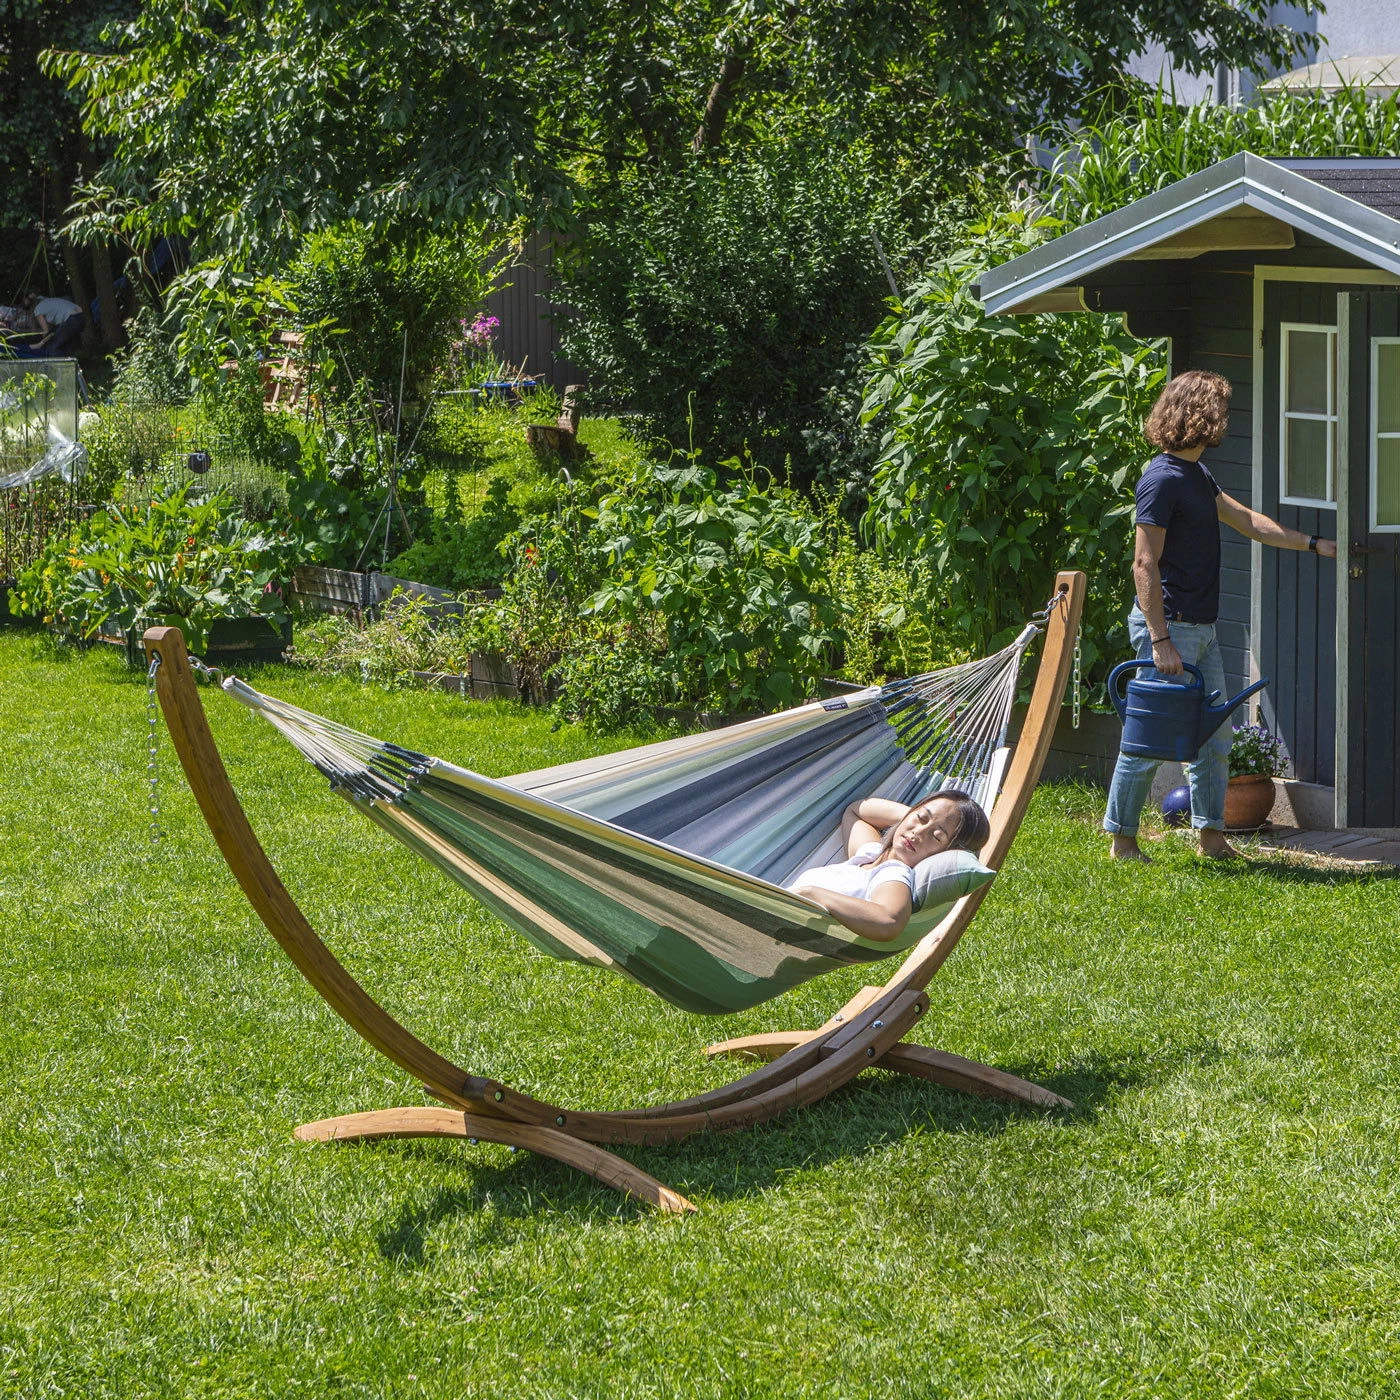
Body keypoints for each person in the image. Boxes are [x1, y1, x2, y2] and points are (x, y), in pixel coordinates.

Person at [1104, 369, 1338, 863]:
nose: (1226, 420)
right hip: (1169, 628)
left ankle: (1212, 838)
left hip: (1200, 628)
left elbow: (1247, 521)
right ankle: (1122, 842)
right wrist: (1160, 638)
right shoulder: (1161, 478)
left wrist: (1313, 544)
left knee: (1214, 737)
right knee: (1149, 739)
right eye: (1221, 410)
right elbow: (1143, 563)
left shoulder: (1196, 474)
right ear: (1199, 415)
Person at [788, 790, 991, 940]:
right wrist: (914, 817)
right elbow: (856, 811)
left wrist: (812, 894)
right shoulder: (872, 855)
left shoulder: (894, 874)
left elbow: (889, 922)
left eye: (937, 837)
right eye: (921, 818)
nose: (918, 833)